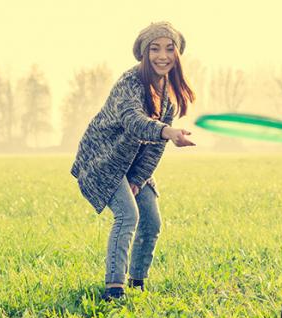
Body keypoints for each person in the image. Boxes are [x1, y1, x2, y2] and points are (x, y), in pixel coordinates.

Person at [71, 21, 195, 301]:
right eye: (155, 49)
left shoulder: (168, 100)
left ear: (177, 54)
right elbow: (133, 121)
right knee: (128, 215)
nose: (162, 56)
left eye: (169, 49)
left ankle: (137, 282)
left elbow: (153, 150)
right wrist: (167, 131)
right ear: (143, 53)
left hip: (132, 166)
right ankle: (114, 289)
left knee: (151, 221)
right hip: (103, 161)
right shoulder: (130, 83)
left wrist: (138, 179)